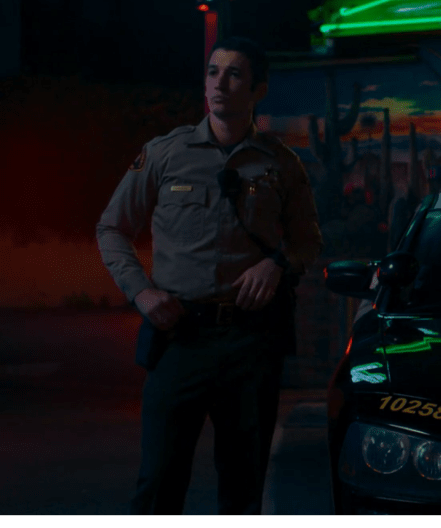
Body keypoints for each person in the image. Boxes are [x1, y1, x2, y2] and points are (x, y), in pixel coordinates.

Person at [96, 36, 322, 515]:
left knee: (242, 487)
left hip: (250, 342)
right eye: (213, 72)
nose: (220, 83)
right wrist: (142, 293)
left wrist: (277, 264)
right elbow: (112, 228)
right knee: (158, 483)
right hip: (180, 337)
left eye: (234, 74)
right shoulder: (165, 154)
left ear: (258, 89)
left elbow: (308, 242)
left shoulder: (280, 163)